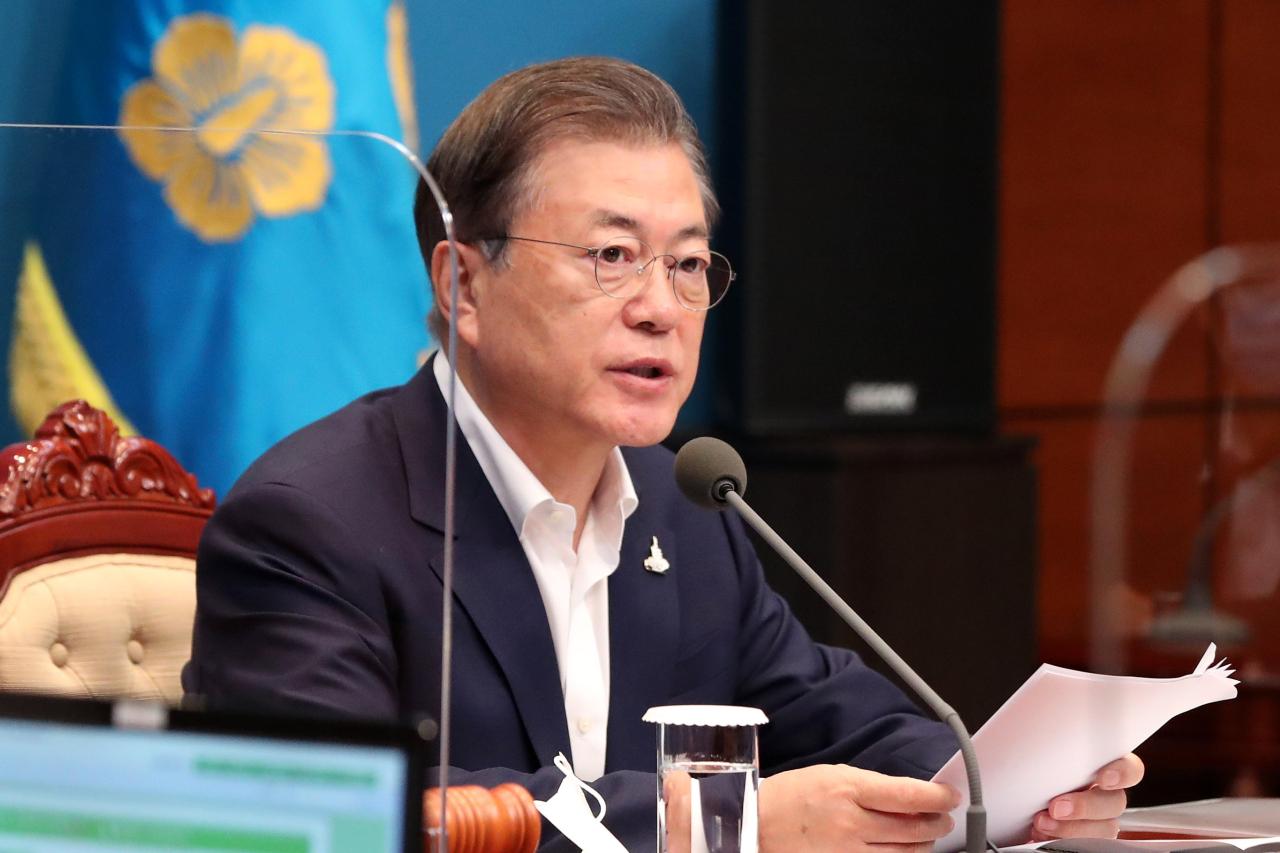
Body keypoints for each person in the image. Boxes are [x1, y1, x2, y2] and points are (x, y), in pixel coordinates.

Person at [185, 57, 1143, 853]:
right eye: (611, 256)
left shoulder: (686, 506)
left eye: (686, 264)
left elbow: (829, 716)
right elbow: (341, 816)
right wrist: (727, 822)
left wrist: (1012, 785)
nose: (661, 307)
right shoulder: (310, 521)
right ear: (462, 285)